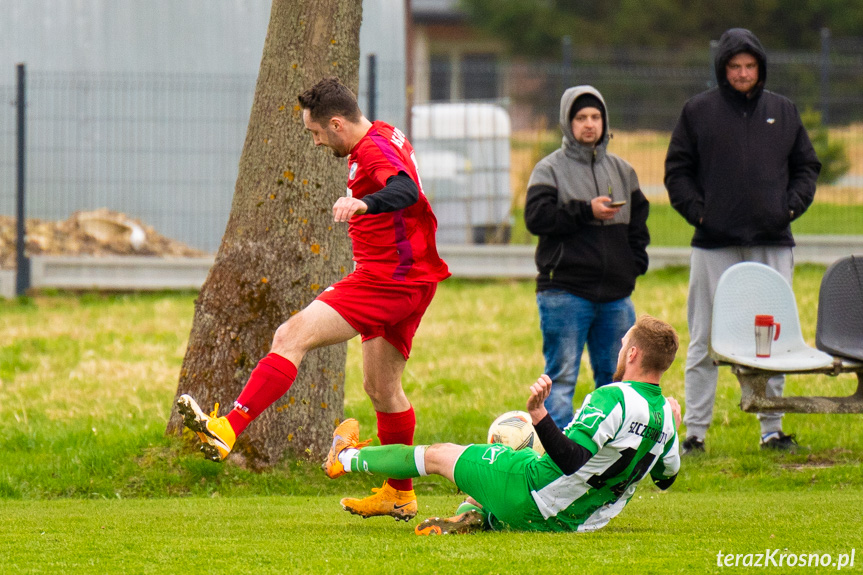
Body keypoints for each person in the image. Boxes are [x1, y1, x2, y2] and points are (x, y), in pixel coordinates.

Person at [177, 76, 450, 521]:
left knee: (290, 335)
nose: (316, 140)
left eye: (316, 132)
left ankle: (227, 428)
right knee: (382, 389)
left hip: (387, 280)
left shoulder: (373, 151)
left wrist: (365, 205)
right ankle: (400, 493)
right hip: (411, 277)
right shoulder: (381, 132)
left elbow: (406, 191)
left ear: (338, 124)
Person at [323, 315, 681, 535]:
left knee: (437, 455)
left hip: (531, 493)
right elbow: (666, 479)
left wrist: (539, 416)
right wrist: (674, 428)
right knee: (491, 470)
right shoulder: (665, 415)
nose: (621, 351)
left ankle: (347, 457)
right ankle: (475, 515)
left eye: (623, 346)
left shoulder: (613, 397)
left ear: (632, 354)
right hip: (575, 522)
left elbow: (569, 460)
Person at [664, 28, 821, 454]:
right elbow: (676, 171)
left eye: (750, 66)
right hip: (713, 245)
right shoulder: (698, 112)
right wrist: (701, 214)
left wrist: (788, 209)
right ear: (723, 68)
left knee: (773, 335)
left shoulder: (783, 112)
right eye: (735, 66)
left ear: (761, 68)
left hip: (773, 241)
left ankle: (772, 428)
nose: (743, 73)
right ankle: (694, 433)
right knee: (702, 338)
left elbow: (807, 167)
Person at [524, 85, 650, 430]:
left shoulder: (623, 172)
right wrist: (585, 210)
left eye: (595, 117)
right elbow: (536, 219)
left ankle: (608, 453)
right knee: (561, 381)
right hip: (564, 292)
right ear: (568, 122)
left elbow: (639, 226)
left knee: (618, 382)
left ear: (604, 121)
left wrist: (633, 266)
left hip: (616, 297)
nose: (589, 124)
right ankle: (559, 454)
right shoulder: (549, 170)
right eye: (581, 118)